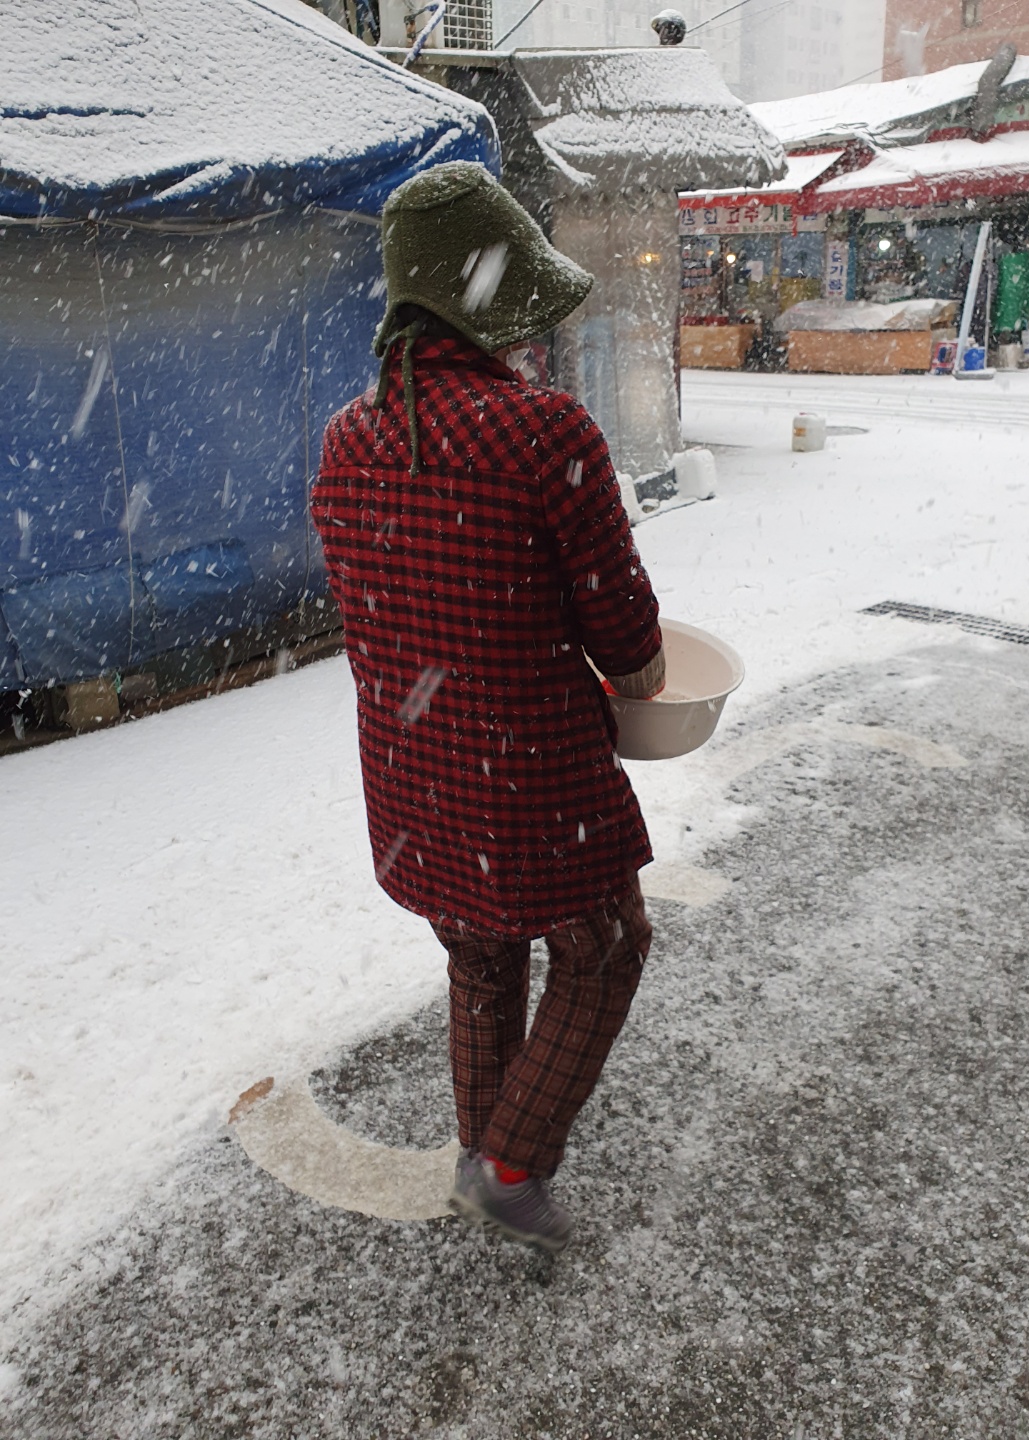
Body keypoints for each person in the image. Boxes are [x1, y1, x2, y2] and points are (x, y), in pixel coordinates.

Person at [311, 162, 665, 1253]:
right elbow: (633, 651)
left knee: (478, 954)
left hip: (414, 774)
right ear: (493, 304)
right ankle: (507, 1168)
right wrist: (637, 672)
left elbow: (389, 616)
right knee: (605, 944)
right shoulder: (545, 433)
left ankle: (483, 1144)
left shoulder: (346, 440)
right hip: (533, 778)